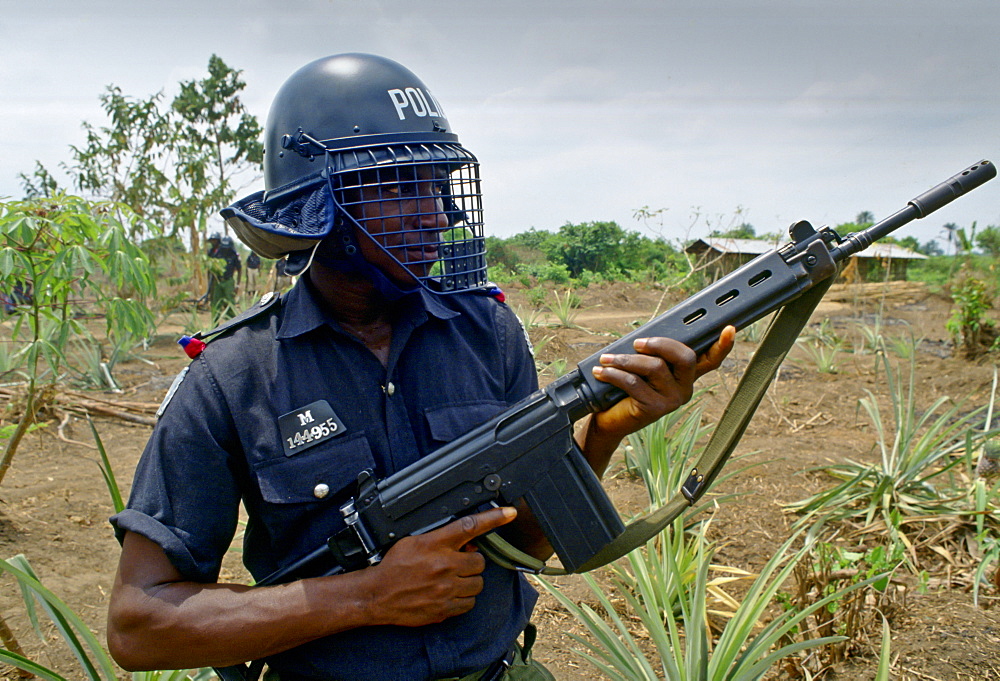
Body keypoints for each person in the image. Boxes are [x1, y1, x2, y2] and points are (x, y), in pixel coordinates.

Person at [106, 53, 735, 681]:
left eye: (437, 186)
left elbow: (526, 542)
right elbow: (138, 625)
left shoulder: (486, 333)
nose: (438, 215)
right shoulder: (233, 375)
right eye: (403, 186)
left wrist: (606, 429)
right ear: (319, 201)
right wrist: (365, 597)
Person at [205, 232, 242, 318]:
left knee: (229, 303)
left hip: (228, 281)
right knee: (216, 304)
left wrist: (237, 285)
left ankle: (233, 324)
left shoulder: (234, 255)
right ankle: (215, 326)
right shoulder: (217, 254)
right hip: (217, 282)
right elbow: (211, 270)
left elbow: (240, 269)